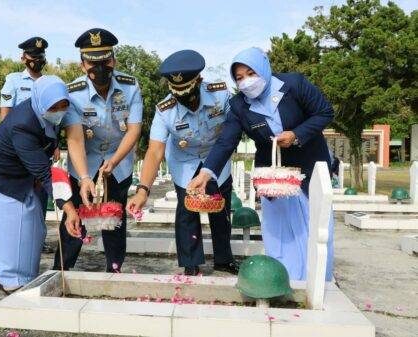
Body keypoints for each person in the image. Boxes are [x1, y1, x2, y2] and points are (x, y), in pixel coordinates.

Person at [189, 47, 335, 281]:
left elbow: (325, 112)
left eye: (251, 73)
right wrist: (206, 173)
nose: (246, 82)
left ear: (264, 68)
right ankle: (284, 277)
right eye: (239, 78)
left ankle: (318, 279)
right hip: (272, 174)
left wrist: (296, 134)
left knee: (313, 223)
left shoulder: (294, 84)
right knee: (277, 228)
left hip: (309, 165)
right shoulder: (239, 106)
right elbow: (227, 141)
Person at [0, 75, 90, 294]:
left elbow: (72, 139)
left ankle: (26, 274)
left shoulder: (53, 110)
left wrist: (83, 178)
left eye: (64, 105)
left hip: (17, 171)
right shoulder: (23, 124)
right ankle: (11, 281)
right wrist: (70, 209)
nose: (60, 110)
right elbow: (45, 173)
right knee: (14, 223)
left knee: (34, 224)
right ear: (41, 101)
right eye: (55, 106)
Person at [126, 50, 239, 276]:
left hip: (216, 158)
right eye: (178, 95)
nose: (185, 100)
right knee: (187, 210)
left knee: (220, 207)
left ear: (199, 81)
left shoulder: (221, 95)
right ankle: (190, 263)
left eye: (189, 92)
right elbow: (155, 150)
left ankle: (223, 259)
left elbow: (234, 128)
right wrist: (143, 190)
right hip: (184, 161)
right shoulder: (164, 110)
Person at [53, 28, 142, 273]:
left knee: (114, 216)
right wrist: (83, 178)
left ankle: (114, 268)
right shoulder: (72, 93)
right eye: (93, 63)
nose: (100, 68)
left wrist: (113, 162)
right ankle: (61, 269)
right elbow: (75, 138)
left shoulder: (131, 87)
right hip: (85, 160)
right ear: (83, 65)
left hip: (119, 159)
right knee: (77, 213)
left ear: (113, 60)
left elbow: (133, 131)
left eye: (105, 61)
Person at [0, 36, 59, 253]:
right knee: (18, 193)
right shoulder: (13, 80)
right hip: (18, 148)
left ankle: (38, 240)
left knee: (42, 194)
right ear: (23, 58)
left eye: (41, 56)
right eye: (33, 56)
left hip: (42, 149)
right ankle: (16, 240)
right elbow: (5, 115)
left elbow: (53, 117)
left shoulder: (49, 82)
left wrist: (56, 144)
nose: (37, 60)